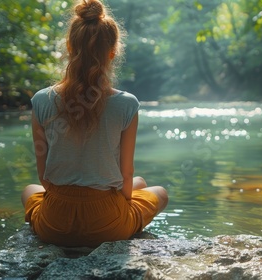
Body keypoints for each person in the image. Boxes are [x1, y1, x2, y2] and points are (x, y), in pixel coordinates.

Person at [21, 0, 168, 247]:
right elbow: (126, 174)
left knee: (29, 189)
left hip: (55, 222)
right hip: (108, 224)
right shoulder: (127, 104)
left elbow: (44, 177)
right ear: (113, 51)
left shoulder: (41, 100)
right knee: (158, 191)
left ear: (69, 47)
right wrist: (116, 206)